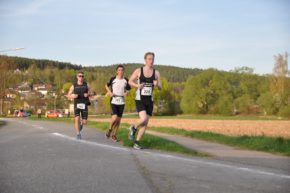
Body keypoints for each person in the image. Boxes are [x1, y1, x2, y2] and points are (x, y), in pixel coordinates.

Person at [128, 52, 162, 149]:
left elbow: (160, 87)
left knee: (145, 123)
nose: (151, 61)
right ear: (145, 60)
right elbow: (130, 81)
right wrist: (137, 86)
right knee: (143, 119)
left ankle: (137, 142)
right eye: (149, 59)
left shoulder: (156, 73)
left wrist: (157, 84)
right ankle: (133, 127)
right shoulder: (139, 70)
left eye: (152, 59)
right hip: (140, 99)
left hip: (149, 100)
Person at [105, 65, 131, 142]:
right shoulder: (113, 79)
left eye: (122, 70)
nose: (120, 71)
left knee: (118, 120)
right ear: (117, 71)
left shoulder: (126, 80)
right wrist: (110, 92)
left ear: (123, 71)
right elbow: (106, 85)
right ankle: (109, 129)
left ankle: (114, 135)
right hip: (113, 100)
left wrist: (127, 93)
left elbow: (129, 89)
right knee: (115, 117)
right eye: (119, 70)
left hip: (121, 101)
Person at [67, 71, 92, 140]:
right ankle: (78, 134)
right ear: (77, 77)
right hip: (77, 104)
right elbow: (68, 95)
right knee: (77, 118)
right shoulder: (74, 85)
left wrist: (88, 94)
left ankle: (81, 125)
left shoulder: (87, 84)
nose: (81, 77)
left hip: (84, 104)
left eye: (82, 76)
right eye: (79, 76)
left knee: (84, 122)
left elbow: (91, 92)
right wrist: (73, 96)